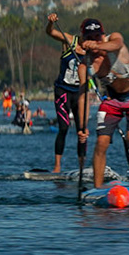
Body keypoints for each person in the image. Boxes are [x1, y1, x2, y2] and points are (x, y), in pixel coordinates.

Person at [79, 18, 129, 186]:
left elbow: (116, 45)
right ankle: (97, 188)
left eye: (98, 36)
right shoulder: (86, 65)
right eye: (90, 38)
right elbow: (83, 97)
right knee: (101, 142)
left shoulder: (114, 38)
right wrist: (82, 126)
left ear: (103, 35)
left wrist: (97, 45)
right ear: (84, 40)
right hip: (112, 100)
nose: (95, 40)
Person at [43, 12, 90, 175]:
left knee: (82, 130)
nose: (88, 38)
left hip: (79, 94)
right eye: (86, 35)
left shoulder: (92, 49)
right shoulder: (69, 40)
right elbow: (50, 32)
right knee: (63, 127)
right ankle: (57, 166)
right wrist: (50, 22)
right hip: (63, 91)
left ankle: (82, 167)